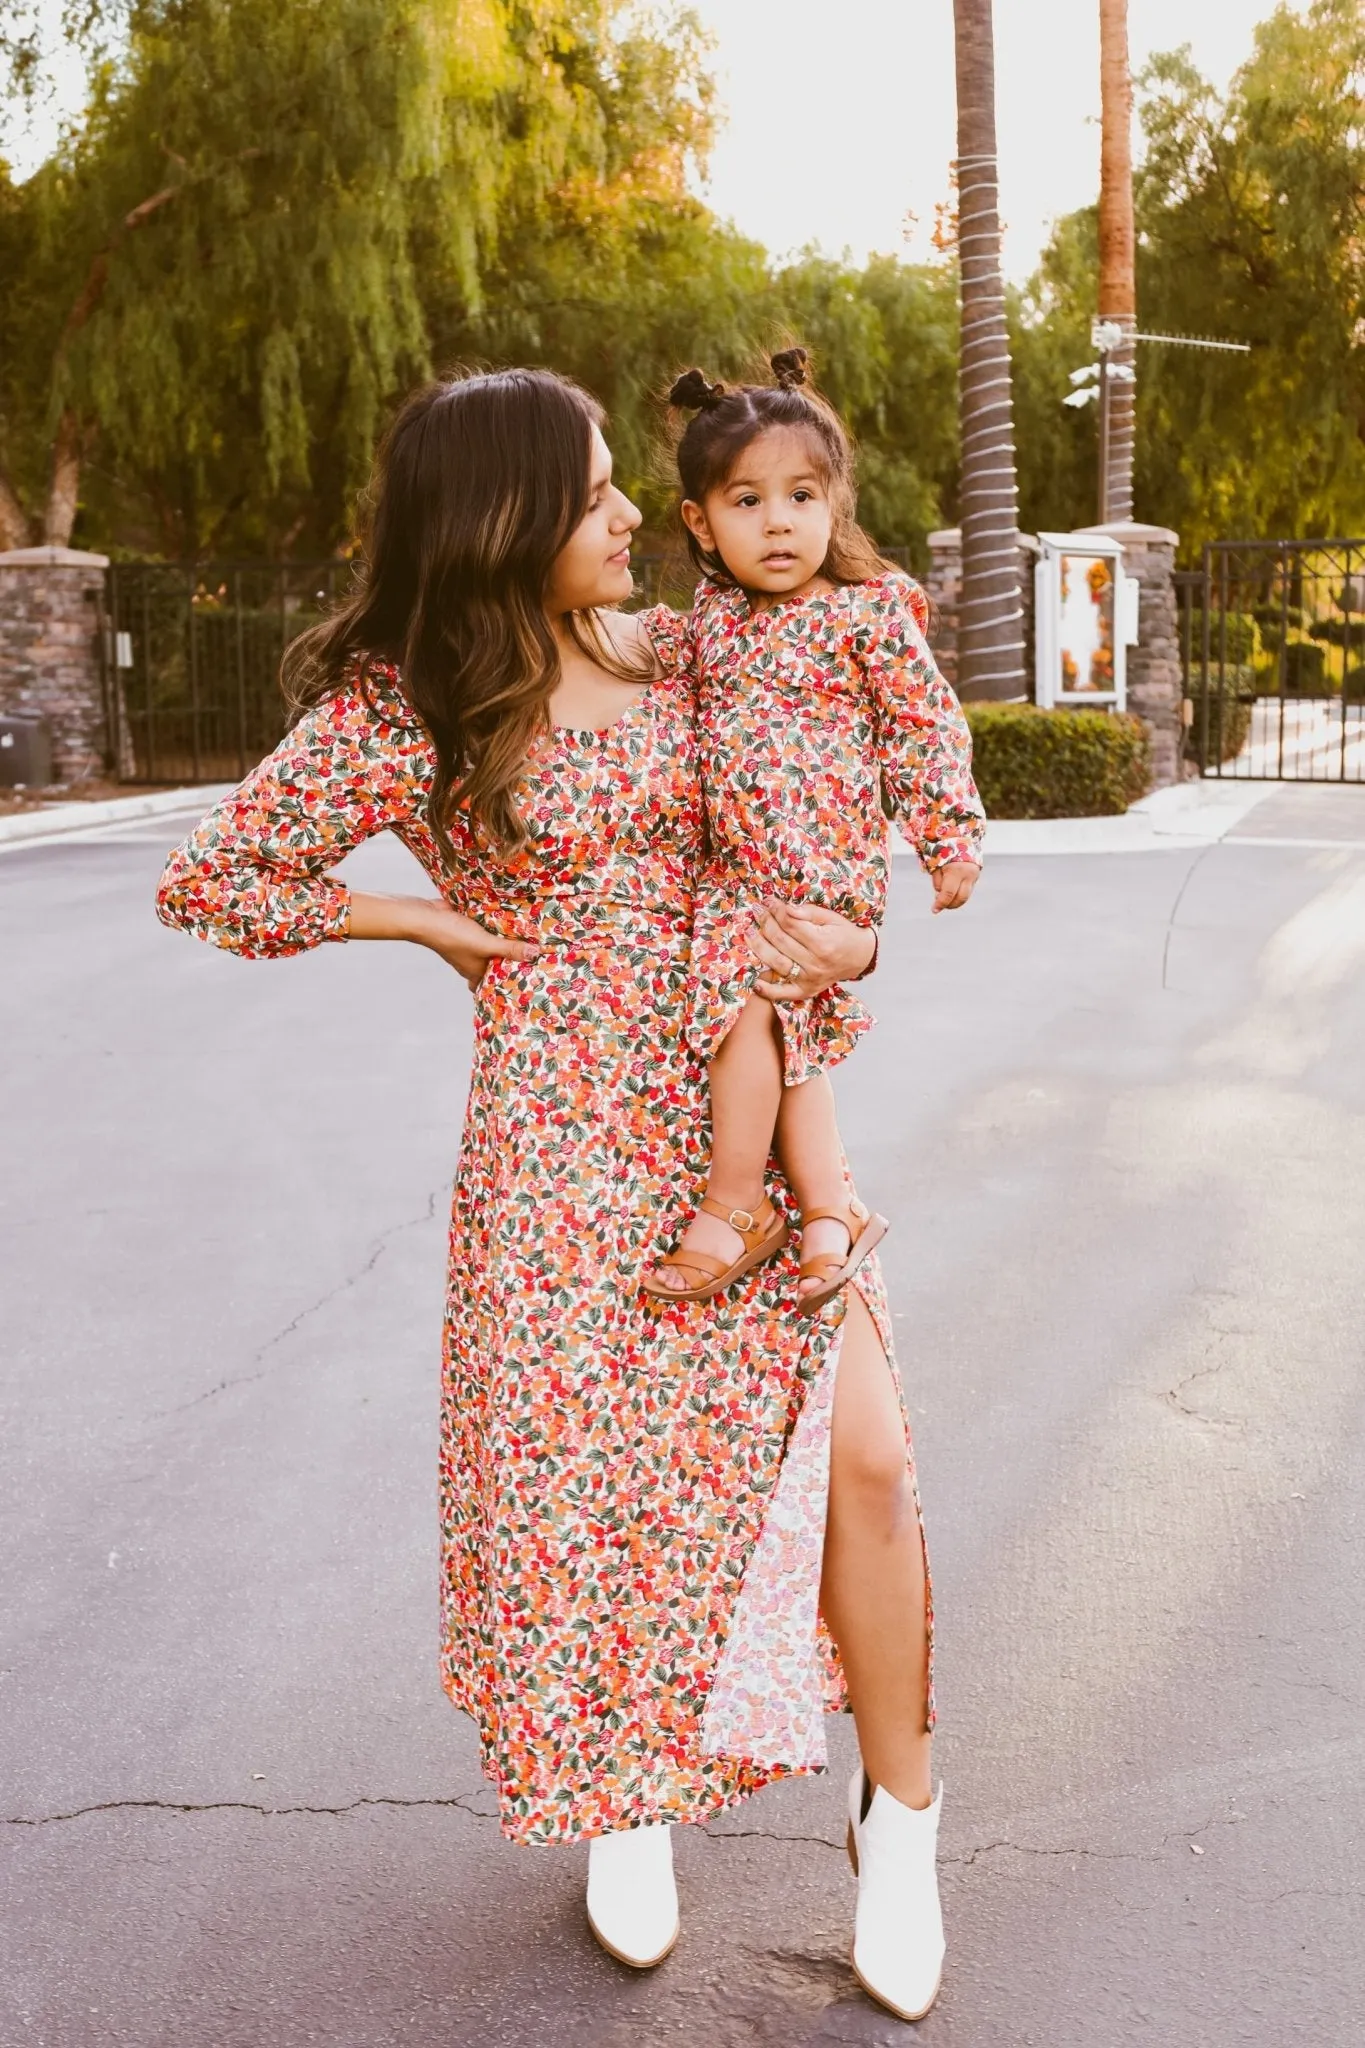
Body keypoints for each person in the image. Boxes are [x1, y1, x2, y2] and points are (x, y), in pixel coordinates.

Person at [156, 366, 946, 2023]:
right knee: (592, 1518)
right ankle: (622, 1803)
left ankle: (905, 1821)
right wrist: (423, 922)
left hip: (756, 1113)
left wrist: (861, 934)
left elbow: (826, 825)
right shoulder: (406, 707)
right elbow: (213, 878)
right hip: (557, 1164)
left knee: (864, 1458)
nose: (626, 515)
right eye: (591, 490)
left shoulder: (702, 654)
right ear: (506, 516)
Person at [643, 349, 984, 1312]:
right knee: (786, 1038)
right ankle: (829, 1211)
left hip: (814, 869)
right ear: (699, 524)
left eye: (799, 495)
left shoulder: (863, 616)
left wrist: (947, 834)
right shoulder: (706, 623)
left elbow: (924, 723)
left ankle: (736, 1201)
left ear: (832, 503)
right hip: (730, 872)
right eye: (745, 501)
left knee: (746, 1013)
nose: (777, 520)